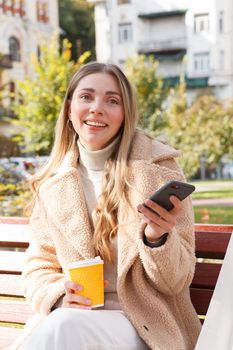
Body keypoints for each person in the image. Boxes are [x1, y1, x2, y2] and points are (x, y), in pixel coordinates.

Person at [10, 62, 201, 350]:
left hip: (143, 325)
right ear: (69, 109)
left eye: (112, 101)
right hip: (77, 319)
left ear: (125, 114)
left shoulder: (159, 170)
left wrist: (157, 239)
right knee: (65, 324)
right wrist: (59, 294)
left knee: (65, 326)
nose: (97, 108)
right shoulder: (53, 183)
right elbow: (39, 266)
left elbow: (177, 282)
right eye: (86, 97)